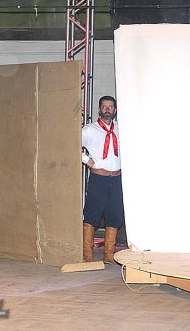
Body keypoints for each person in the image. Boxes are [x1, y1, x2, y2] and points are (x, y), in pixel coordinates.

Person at [81, 95, 123, 264]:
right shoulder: (89, 130)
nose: (107, 110)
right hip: (99, 178)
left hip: (116, 179)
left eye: (110, 107)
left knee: (115, 214)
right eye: (104, 107)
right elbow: (71, 143)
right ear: (99, 109)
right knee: (92, 213)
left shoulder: (121, 128)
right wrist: (87, 160)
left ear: (115, 110)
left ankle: (109, 254)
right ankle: (87, 254)